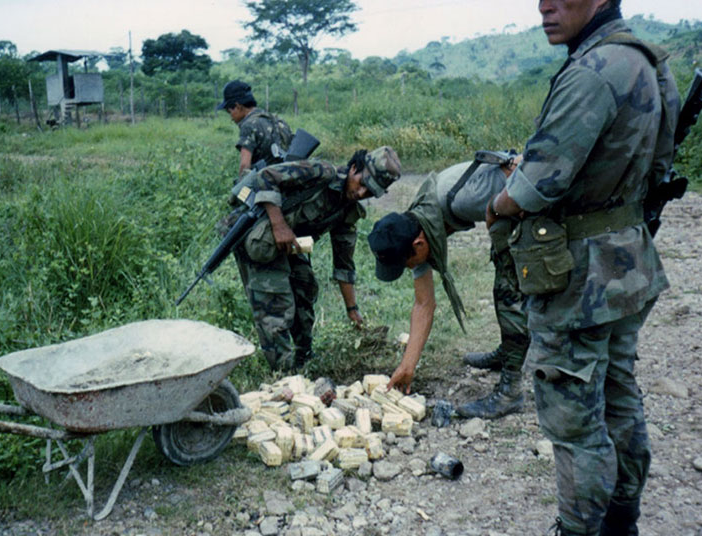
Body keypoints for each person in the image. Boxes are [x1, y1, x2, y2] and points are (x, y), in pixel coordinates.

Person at [486, 0, 679, 534]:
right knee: (618, 394)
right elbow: (661, 165)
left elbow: (535, 185)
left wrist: (500, 204)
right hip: (629, 259)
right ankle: (623, 522)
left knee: (574, 422)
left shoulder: (592, 71)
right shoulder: (649, 60)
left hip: (579, 278)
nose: (544, 5)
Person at [366, 153, 529, 420]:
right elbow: (424, 303)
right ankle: (508, 352)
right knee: (504, 280)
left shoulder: (462, 200)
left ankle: (511, 390)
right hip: (504, 208)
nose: (411, 270)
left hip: (528, 197)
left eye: (407, 265)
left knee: (508, 292)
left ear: (418, 247)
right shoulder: (415, 225)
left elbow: (524, 175)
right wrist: (408, 364)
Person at [235, 147, 401, 371]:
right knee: (276, 305)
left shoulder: (347, 211)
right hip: (260, 238)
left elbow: (344, 264)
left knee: (305, 290)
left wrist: (352, 310)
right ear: (354, 168)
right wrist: (279, 224)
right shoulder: (320, 172)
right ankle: (283, 375)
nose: (362, 193)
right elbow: (266, 176)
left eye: (370, 192)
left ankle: (305, 362)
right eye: (362, 184)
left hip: (291, 246)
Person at [216, 80, 293, 177]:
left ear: (238, 106)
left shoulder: (248, 125)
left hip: (266, 183)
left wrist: (240, 189)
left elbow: (245, 165)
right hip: (287, 178)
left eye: (229, 111)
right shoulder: (275, 119)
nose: (231, 117)